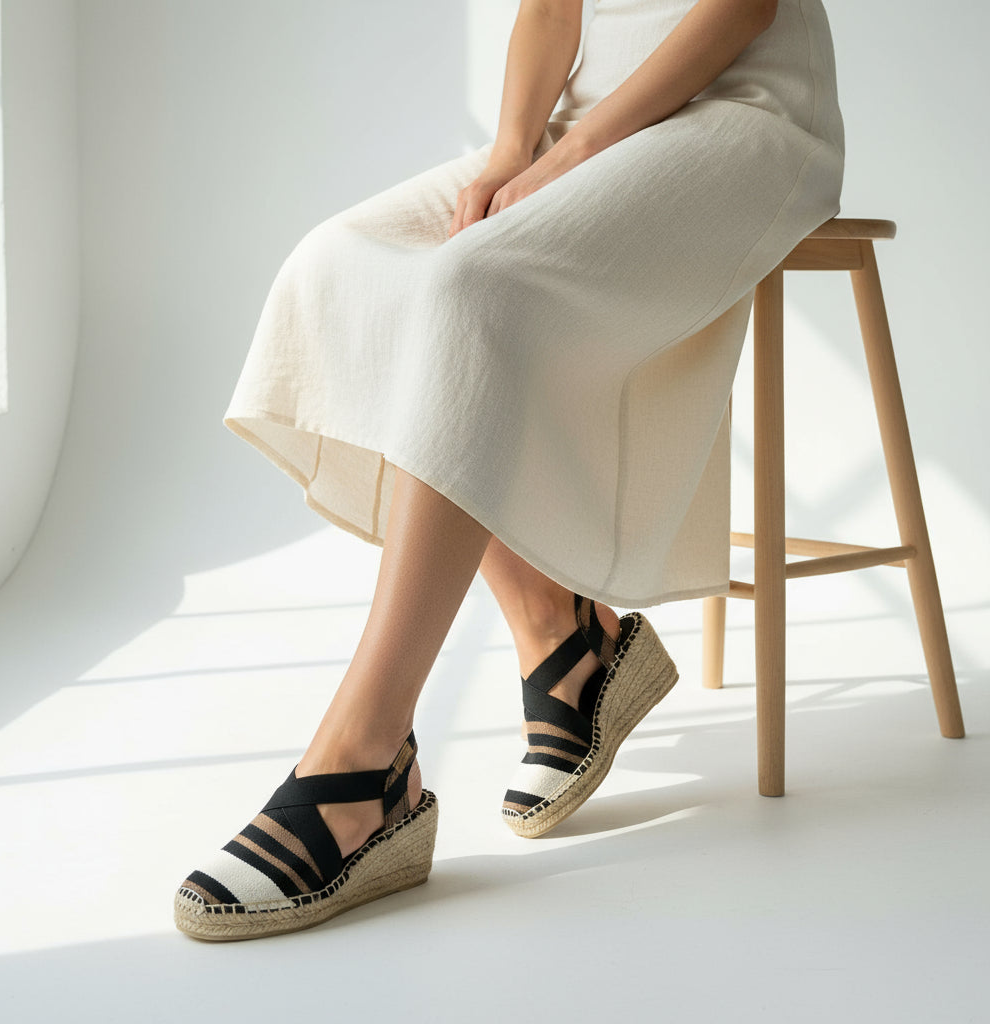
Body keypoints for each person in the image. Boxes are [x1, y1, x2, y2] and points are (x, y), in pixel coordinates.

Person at [175, 0, 844, 941]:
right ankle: (566, 640)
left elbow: (742, 7)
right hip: (586, 120)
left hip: (743, 113)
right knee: (343, 265)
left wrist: (570, 161)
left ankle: (366, 764)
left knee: (470, 289)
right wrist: (511, 150)